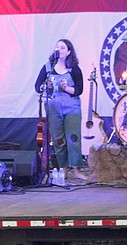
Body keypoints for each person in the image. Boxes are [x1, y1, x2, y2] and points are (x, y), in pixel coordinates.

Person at [34, 38, 87, 181]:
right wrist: (44, 87)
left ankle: (76, 170)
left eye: (63, 47)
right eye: (57, 47)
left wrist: (66, 88)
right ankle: (63, 169)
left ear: (69, 51)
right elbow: (37, 86)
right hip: (53, 108)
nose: (59, 50)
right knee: (58, 140)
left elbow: (79, 89)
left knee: (73, 138)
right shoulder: (48, 67)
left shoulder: (74, 69)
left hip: (71, 107)